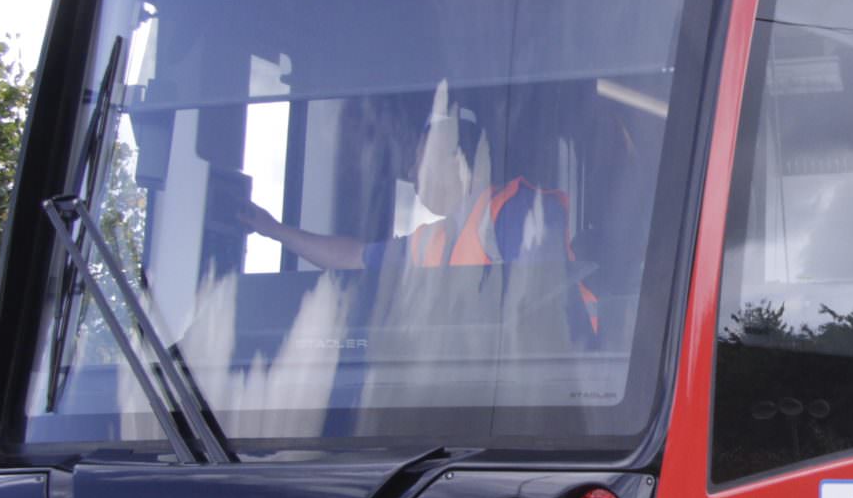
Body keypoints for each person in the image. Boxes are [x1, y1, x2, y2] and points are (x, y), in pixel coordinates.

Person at [238, 93, 601, 335]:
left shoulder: (517, 212)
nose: (412, 173)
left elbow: (539, 319)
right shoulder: (435, 241)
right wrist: (275, 230)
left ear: (459, 160)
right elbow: (352, 258)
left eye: (421, 160)